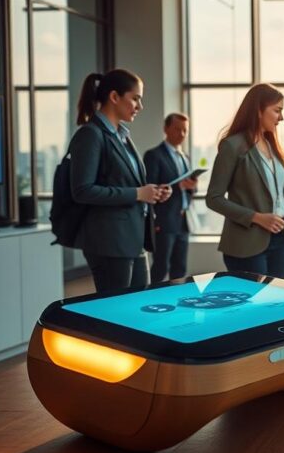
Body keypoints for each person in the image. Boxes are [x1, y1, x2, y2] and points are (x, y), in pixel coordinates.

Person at [69, 69, 171, 292]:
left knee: (138, 308)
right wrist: (137, 193)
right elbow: (83, 190)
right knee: (116, 317)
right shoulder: (91, 135)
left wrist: (152, 193)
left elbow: (127, 184)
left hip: (133, 240)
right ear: (114, 97)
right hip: (109, 243)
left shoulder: (123, 136)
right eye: (135, 98)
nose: (139, 106)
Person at [206, 83, 284, 279]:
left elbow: (276, 192)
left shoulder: (273, 146)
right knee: (253, 307)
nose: (281, 118)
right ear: (258, 110)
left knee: (275, 303)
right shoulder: (232, 146)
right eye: (277, 111)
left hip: (280, 238)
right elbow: (213, 198)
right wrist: (257, 217)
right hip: (246, 243)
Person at [143, 113, 197, 282]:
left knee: (180, 267)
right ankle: (154, 301)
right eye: (177, 129)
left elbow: (188, 190)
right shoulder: (153, 155)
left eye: (185, 130)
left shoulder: (185, 156)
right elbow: (150, 186)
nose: (181, 134)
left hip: (183, 220)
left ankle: (177, 301)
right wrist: (176, 187)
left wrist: (191, 188)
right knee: (160, 267)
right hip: (164, 220)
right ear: (166, 129)